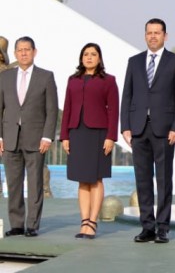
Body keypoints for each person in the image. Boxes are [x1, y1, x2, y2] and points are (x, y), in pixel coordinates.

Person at [120, 18, 175, 244]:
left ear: (165, 36)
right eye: (149, 32)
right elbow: (127, 96)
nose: (152, 36)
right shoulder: (134, 62)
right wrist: (126, 126)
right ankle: (147, 227)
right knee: (142, 180)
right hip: (138, 129)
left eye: (157, 33)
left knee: (164, 179)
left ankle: (163, 227)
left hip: (164, 130)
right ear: (145, 35)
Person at [0, 36, 59, 237]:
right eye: (20, 50)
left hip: (36, 140)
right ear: (15, 54)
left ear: (34, 52)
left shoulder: (46, 77)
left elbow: (51, 110)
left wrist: (47, 137)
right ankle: (16, 224)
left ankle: (32, 225)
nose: (24, 53)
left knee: (35, 185)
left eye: (27, 49)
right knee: (13, 184)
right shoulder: (5, 78)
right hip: (10, 139)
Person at [60, 43, 119, 239]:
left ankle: (93, 222)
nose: (89, 57)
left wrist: (111, 136)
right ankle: (84, 222)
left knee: (96, 179)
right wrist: (65, 136)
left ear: (99, 58)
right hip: (76, 132)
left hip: (99, 134)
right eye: (86, 54)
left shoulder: (108, 81)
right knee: (82, 180)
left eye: (93, 54)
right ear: (81, 58)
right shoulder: (73, 80)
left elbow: (114, 110)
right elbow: (67, 108)